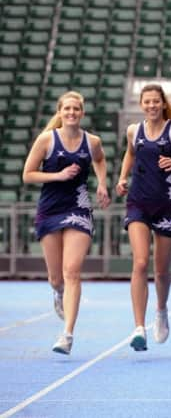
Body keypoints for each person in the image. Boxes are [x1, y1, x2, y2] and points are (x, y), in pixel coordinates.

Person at [22, 91, 111, 354]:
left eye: (76, 109)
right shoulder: (46, 140)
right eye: (67, 109)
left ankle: (67, 334)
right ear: (60, 112)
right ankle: (58, 293)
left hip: (79, 208)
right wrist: (58, 175)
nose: (71, 113)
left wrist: (102, 184)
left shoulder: (92, 141)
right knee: (56, 277)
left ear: (82, 113)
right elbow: (28, 174)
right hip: (49, 209)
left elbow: (100, 159)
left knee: (72, 271)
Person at [115, 84, 171, 352]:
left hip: (167, 205)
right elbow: (130, 152)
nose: (151, 106)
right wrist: (123, 177)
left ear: (163, 104)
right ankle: (139, 328)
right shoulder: (133, 131)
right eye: (146, 102)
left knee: (161, 270)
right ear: (141, 104)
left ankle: (160, 310)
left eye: (155, 102)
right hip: (137, 202)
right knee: (140, 262)